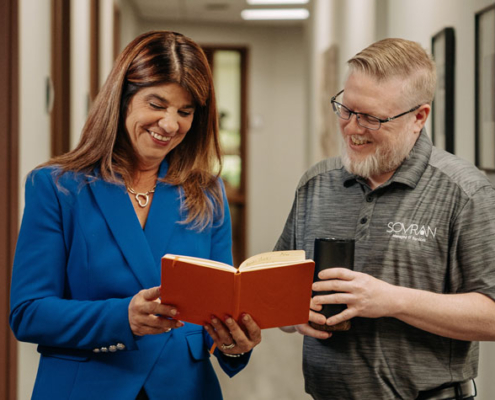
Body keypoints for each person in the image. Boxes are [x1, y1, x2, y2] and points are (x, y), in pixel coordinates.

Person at [10, 30, 261, 400]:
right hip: (87, 387)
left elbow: (215, 309)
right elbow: (28, 312)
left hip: (184, 388)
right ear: (122, 100)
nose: (171, 124)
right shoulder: (57, 187)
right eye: (157, 104)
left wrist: (234, 343)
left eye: (185, 111)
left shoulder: (206, 192)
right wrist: (121, 317)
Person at [276, 38, 495, 399]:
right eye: (345, 109)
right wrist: (293, 313)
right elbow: (278, 295)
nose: (351, 128)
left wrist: (392, 300)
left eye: (371, 118)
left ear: (419, 117)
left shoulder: (465, 192)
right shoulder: (315, 184)